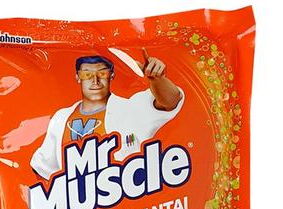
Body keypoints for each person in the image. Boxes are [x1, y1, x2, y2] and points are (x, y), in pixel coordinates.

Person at [30, 48, 185, 179]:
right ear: (78, 77)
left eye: (102, 73)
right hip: (78, 205)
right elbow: (43, 170)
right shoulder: (61, 118)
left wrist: (157, 79)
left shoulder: (131, 108)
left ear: (111, 75)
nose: (95, 80)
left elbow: (170, 102)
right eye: (87, 74)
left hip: (127, 202)